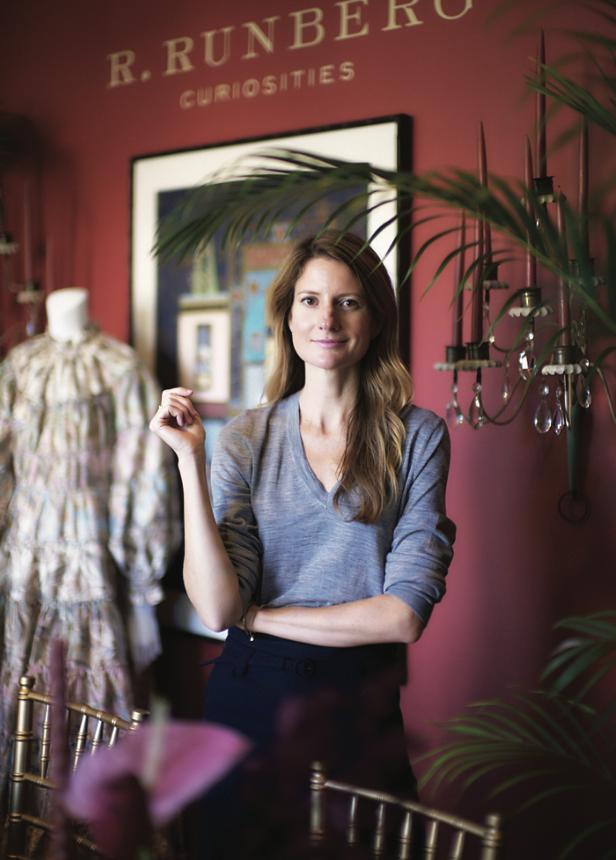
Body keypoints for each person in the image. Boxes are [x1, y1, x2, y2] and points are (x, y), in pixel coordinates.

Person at [150, 231, 455, 856]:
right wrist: (189, 463)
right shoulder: (242, 438)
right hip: (248, 697)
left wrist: (259, 616)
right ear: (288, 317)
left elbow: (401, 617)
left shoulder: (417, 437)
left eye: (349, 302)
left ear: (375, 321)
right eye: (311, 301)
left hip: (357, 702)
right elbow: (214, 608)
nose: (328, 319)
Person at [0, 287, 181, 805]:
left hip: (93, 564)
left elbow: (143, 476)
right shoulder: (19, 365)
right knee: (20, 695)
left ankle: (81, 828)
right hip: (22, 567)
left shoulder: (121, 368)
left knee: (89, 709)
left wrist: (145, 591)